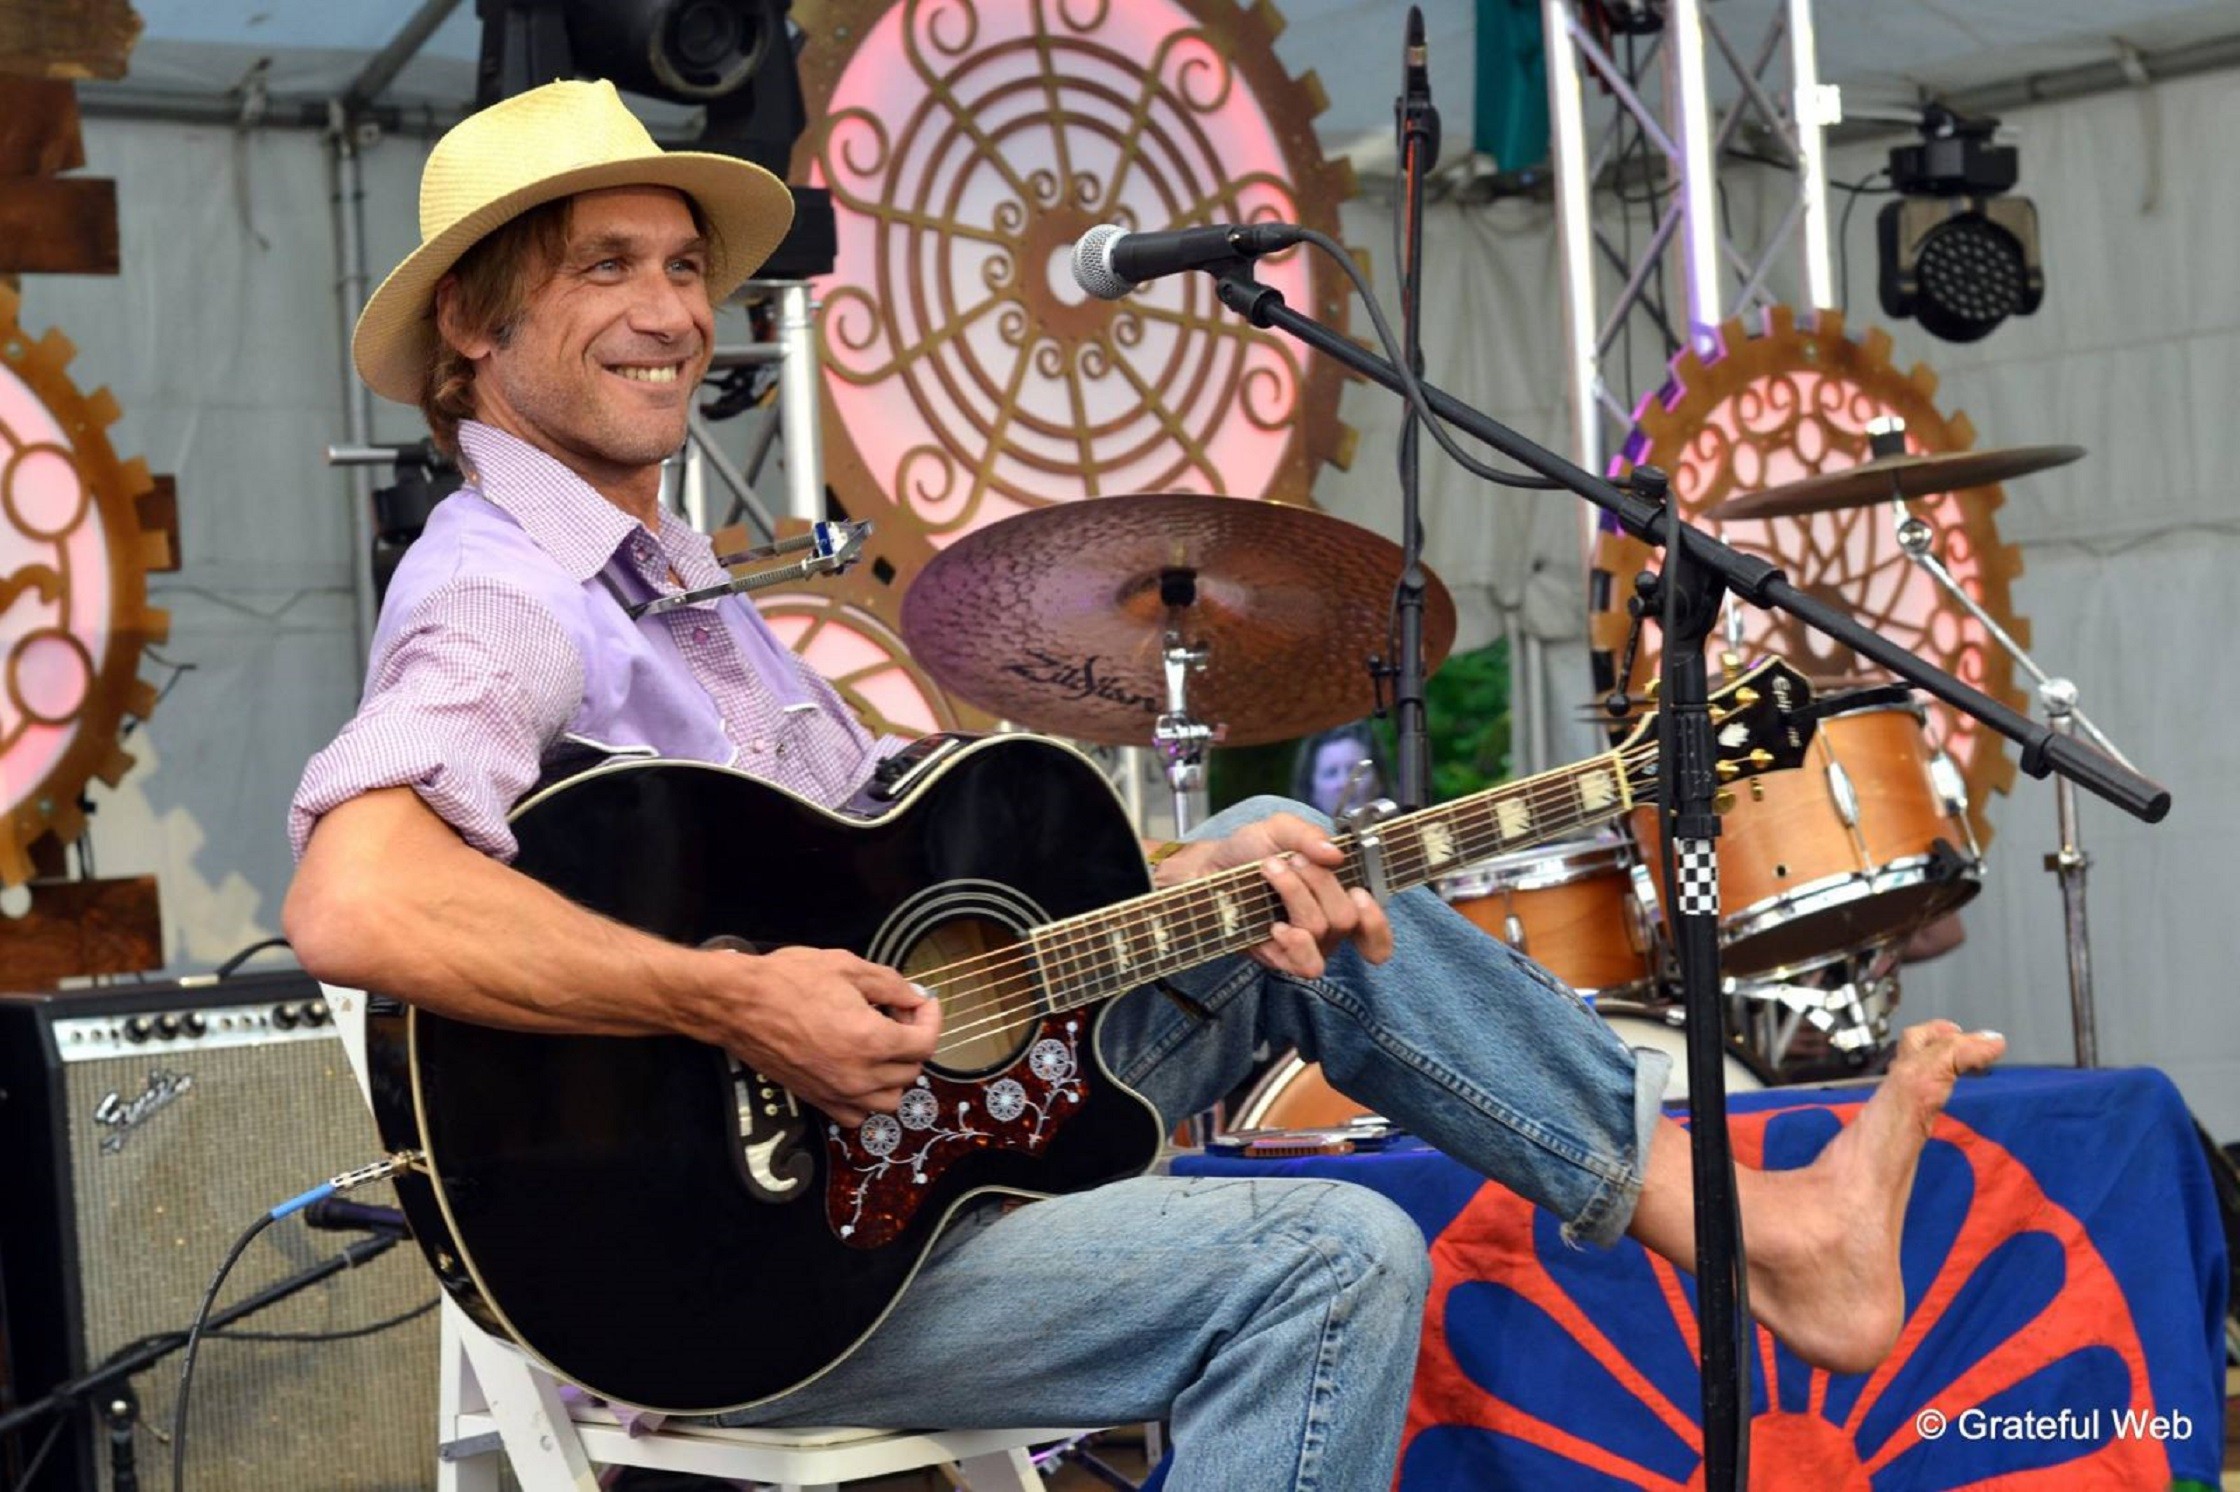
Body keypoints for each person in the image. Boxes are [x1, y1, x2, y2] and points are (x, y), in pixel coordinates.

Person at [284, 80, 2006, 1490]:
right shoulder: (505, 584)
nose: (671, 311)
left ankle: (1750, 1229)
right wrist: (740, 1004)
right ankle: (1761, 1239)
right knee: (1327, 1264)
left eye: (680, 265)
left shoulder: (674, 585)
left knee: (1297, 878)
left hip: (905, 1153)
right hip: (748, 1273)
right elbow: (355, 898)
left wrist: (1182, 873)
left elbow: (892, 905)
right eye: (604, 268)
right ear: (472, 318)